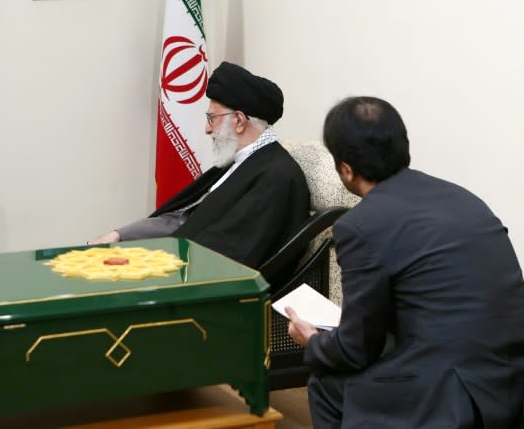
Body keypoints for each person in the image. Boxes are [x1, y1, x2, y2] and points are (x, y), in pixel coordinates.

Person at [286, 96, 524, 428]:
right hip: (507, 383)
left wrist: (313, 341)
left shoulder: (360, 225)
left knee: (327, 382)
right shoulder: (464, 198)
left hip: (446, 398)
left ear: (346, 169)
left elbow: (356, 349)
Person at [91, 61, 310, 274]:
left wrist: (142, 263)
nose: (207, 129)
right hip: (175, 263)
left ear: (240, 121)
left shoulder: (277, 177)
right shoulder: (236, 164)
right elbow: (181, 219)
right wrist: (119, 236)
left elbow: (227, 255)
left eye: (211, 118)